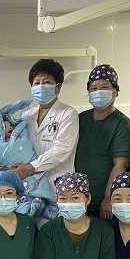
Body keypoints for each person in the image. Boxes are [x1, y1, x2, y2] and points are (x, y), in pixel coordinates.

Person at [75, 64, 130, 219]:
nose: (98, 92)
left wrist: (108, 198)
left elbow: (121, 164)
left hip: (102, 200)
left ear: (116, 91)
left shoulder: (121, 123)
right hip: (76, 197)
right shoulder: (81, 118)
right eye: (93, 88)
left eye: (104, 87)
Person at [14, 59, 79, 196]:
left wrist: (32, 167)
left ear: (58, 87)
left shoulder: (68, 114)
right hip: (30, 184)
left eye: (47, 82)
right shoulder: (26, 115)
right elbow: (19, 146)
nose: (41, 86)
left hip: (58, 185)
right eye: (36, 83)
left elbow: (62, 149)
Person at [0, 100, 59, 219]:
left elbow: (27, 148)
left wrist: (30, 167)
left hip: (31, 170)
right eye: (5, 127)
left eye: (11, 126)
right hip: (13, 175)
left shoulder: (20, 137)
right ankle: (29, 208)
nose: (9, 128)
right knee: (16, 199)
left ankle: (38, 203)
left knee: (36, 191)